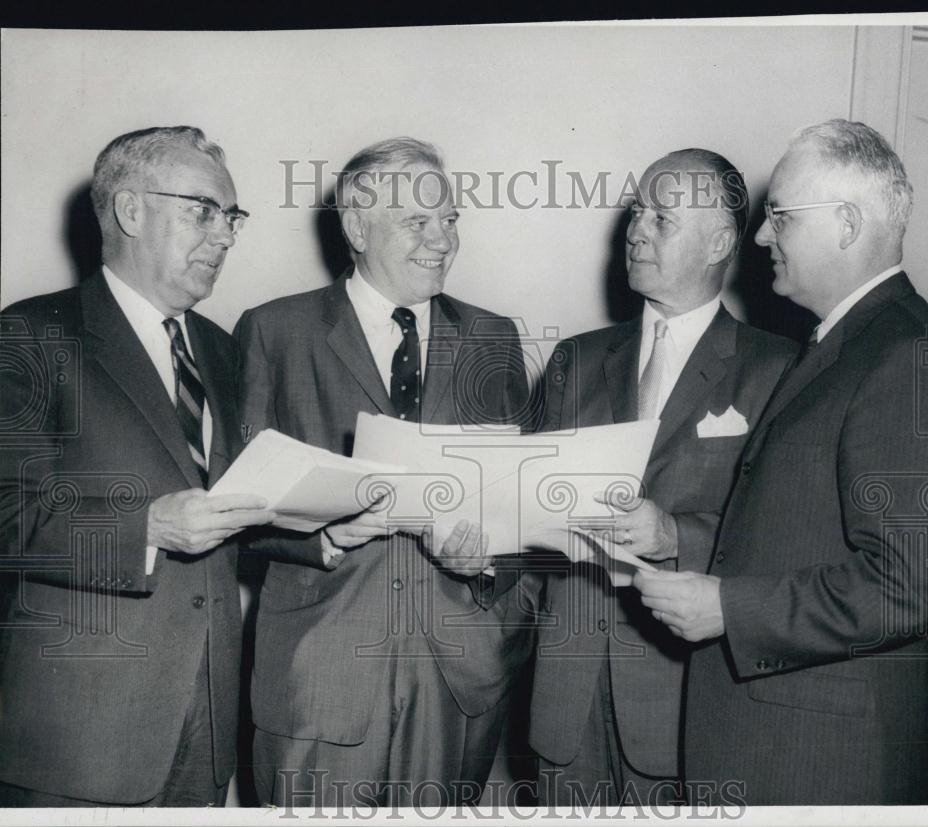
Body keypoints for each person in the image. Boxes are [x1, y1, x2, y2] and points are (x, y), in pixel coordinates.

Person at [634, 119, 928, 805]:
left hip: (818, 757)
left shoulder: (910, 354)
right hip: (779, 740)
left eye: (782, 217)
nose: (762, 236)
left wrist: (729, 607)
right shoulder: (843, 341)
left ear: (847, 224)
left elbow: (911, 583)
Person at [238, 137, 538, 808]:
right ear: (356, 227)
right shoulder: (273, 332)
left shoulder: (493, 338)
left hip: (458, 678)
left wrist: (490, 560)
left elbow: (527, 509)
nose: (443, 240)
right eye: (419, 222)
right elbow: (237, 509)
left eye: (451, 219)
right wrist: (324, 535)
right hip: (321, 671)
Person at [0, 126, 274, 806]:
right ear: (129, 210)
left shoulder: (219, 348)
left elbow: (229, 510)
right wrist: (144, 529)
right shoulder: (32, 334)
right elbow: (7, 515)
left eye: (232, 217)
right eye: (204, 210)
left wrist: (323, 529)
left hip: (205, 728)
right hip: (80, 737)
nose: (225, 236)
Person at [528, 149, 796, 805]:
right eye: (637, 211)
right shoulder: (575, 359)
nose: (637, 229)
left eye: (662, 216)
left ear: (720, 241)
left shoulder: (780, 369)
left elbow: (786, 535)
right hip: (565, 702)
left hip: (688, 702)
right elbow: (524, 510)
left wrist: (675, 532)